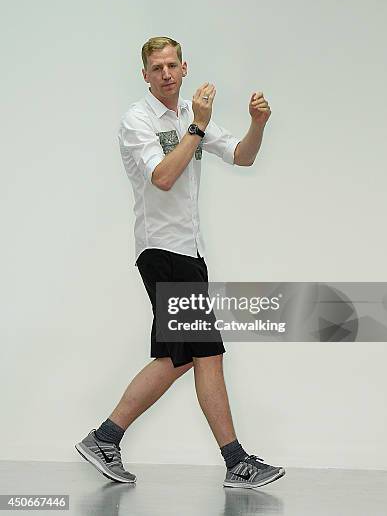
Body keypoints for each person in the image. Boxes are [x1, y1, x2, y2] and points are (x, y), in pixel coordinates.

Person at [75, 36, 285, 489]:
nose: (166, 73)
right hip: (162, 251)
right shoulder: (138, 120)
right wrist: (197, 128)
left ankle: (105, 438)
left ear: (185, 68)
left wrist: (258, 123)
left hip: (189, 253)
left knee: (181, 358)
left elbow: (243, 157)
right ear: (145, 75)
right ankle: (236, 463)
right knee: (207, 354)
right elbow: (164, 177)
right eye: (157, 67)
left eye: (172, 65)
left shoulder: (194, 115)